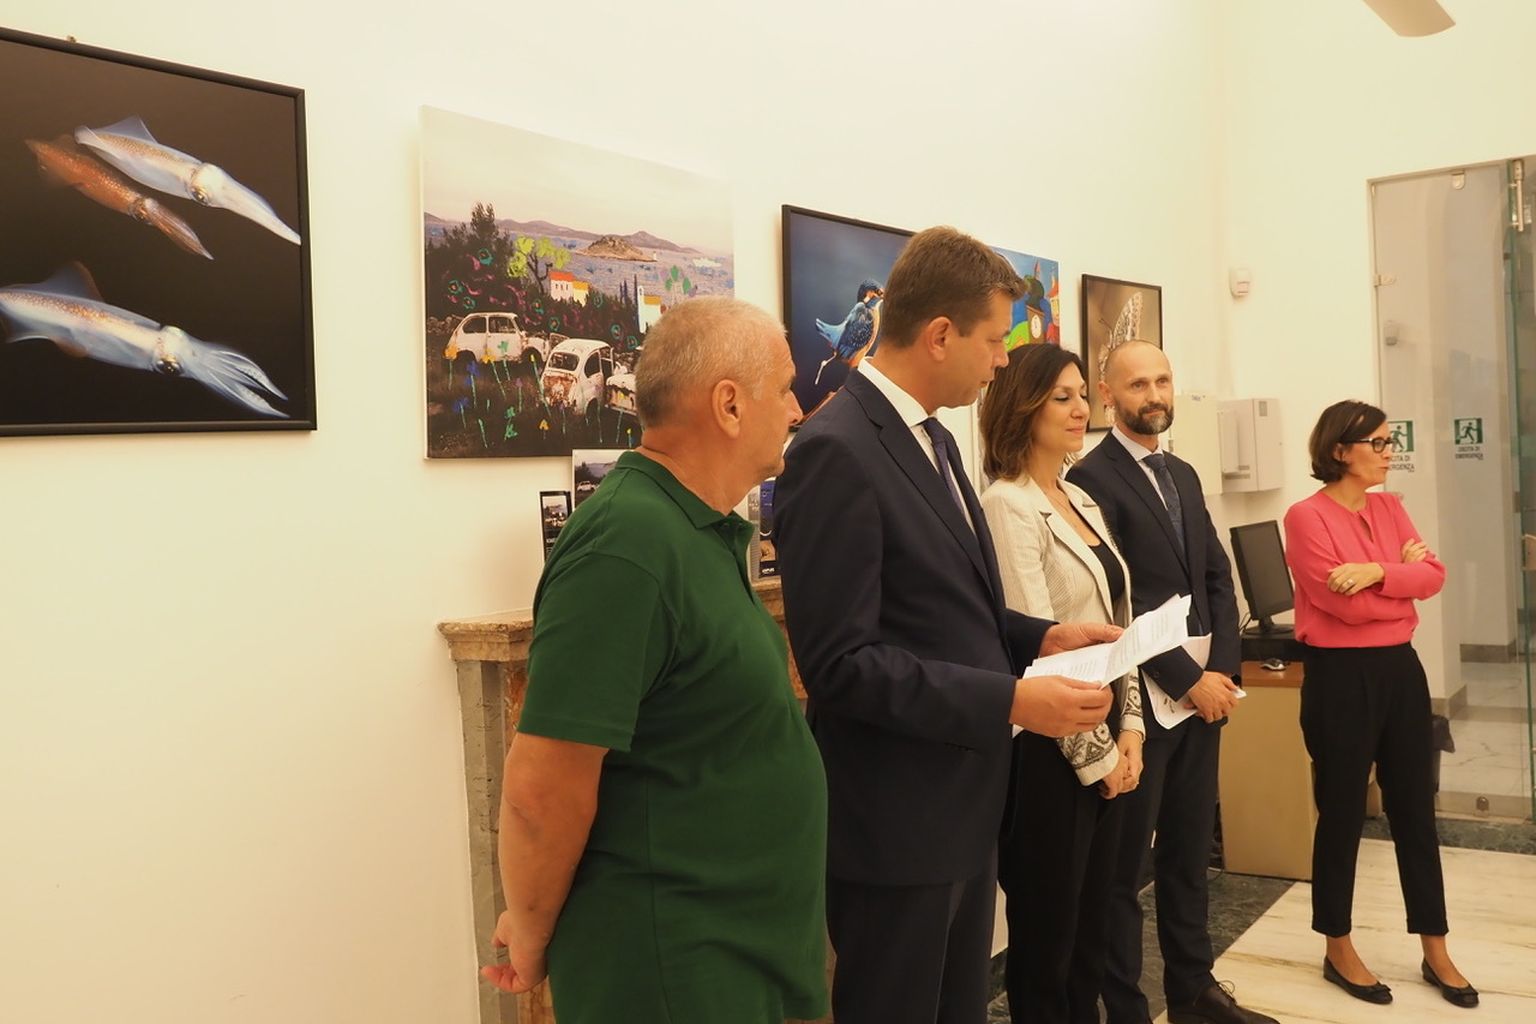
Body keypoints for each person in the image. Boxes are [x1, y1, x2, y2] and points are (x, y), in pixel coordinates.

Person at [775, 225, 1120, 1024]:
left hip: (961, 809)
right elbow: (841, 664)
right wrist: (1011, 700)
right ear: (939, 336)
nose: (1001, 362)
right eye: (994, 341)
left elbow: (946, 605)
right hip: (897, 823)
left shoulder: (933, 436)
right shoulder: (836, 449)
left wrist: (1039, 639)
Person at [480, 297, 830, 1023]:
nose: (798, 410)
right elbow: (542, 786)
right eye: (786, 388)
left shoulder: (690, 527)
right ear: (730, 405)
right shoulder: (627, 544)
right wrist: (534, 931)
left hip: (730, 951)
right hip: (672, 966)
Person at [1067, 340, 1276, 1024]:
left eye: (1162, 380)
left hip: (1204, 701)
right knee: (1125, 872)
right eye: (1137, 384)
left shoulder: (1182, 472)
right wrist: (1187, 679)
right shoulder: (1090, 479)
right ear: (1107, 394)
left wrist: (1221, 672)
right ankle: (1126, 1006)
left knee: (1188, 856)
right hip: (1144, 706)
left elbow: (1215, 574)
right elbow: (1118, 602)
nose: (1154, 395)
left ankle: (1194, 991)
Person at [1283, 400, 1476, 1009]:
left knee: (1415, 809)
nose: (1391, 452)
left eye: (1391, 442)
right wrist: (1399, 576)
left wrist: (1372, 571)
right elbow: (1341, 606)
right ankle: (1337, 946)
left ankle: (1435, 946)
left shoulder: (1390, 507)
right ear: (1340, 450)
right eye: (1380, 442)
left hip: (1400, 670)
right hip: (1340, 677)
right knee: (1341, 813)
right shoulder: (1305, 517)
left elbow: (1434, 576)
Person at [978, 343, 1146, 1024]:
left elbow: (1119, 625)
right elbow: (1041, 653)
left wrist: (1131, 733)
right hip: (1052, 756)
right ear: (1023, 405)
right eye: (1063, 398)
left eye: (1082, 395)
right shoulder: (1007, 504)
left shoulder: (1078, 497)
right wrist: (1101, 759)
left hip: (1109, 739)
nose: (1082, 410)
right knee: (1048, 946)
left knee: (1090, 941)